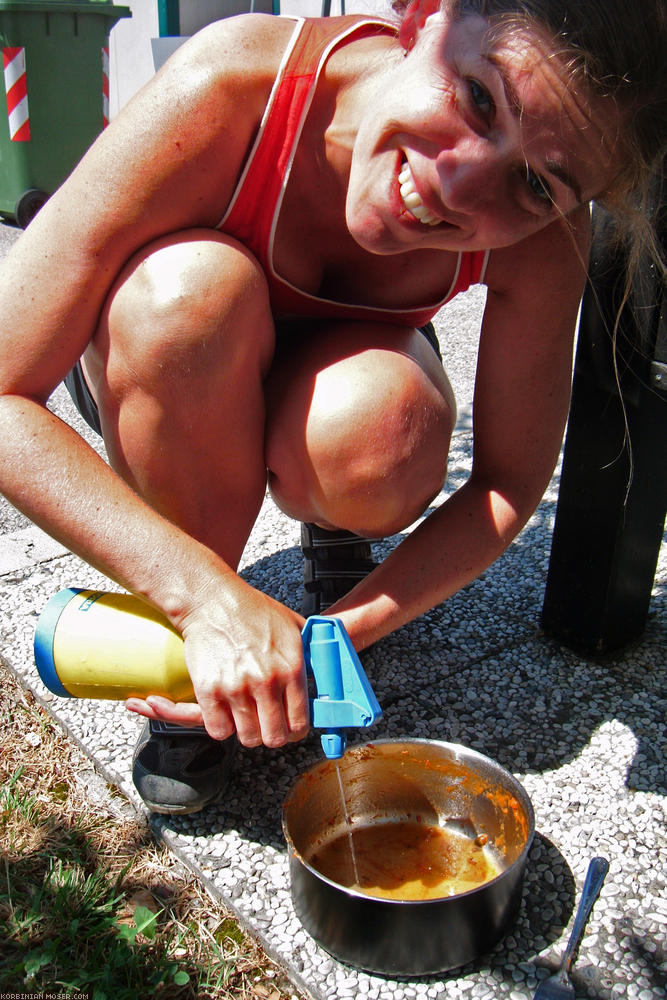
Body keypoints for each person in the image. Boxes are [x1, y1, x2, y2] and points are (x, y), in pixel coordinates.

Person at [0, 0, 664, 813]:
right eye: (478, 98)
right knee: (186, 300)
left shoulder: (545, 232)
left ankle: (337, 541)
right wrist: (205, 600)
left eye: (532, 183)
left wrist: (344, 633)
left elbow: (506, 484)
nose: (453, 183)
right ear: (427, 15)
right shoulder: (232, 82)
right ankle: (193, 660)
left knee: (388, 423)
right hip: (166, 357)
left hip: (331, 382)